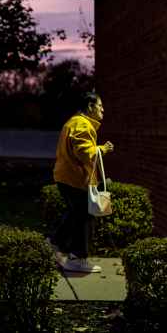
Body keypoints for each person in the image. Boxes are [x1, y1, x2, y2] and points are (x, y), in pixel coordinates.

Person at [50, 92, 114, 273]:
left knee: (76, 214)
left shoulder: (74, 122)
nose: (103, 109)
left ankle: (55, 244)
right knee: (83, 217)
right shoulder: (81, 124)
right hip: (74, 178)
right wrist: (103, 149)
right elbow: (84, 152)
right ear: (90, 106)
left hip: (68, 177)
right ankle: (77, 258)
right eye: (100, 105)